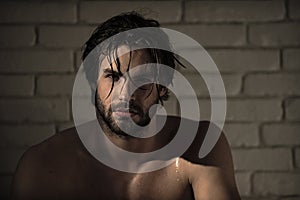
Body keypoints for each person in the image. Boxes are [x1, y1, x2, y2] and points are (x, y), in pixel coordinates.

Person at [11, 12, 241, 200]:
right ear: (93, 82)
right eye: (112, 76)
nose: (125, 93)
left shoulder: (198, 147)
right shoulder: (45, 163)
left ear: (162, 87)